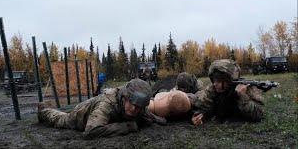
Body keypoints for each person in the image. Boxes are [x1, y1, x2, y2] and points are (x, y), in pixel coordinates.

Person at [38, 79, 166, 139]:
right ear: (124, 98)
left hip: (95, 112)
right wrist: (127, 126)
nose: (135, 109)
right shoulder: (107, 103)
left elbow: (144, 112)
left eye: (139, 107)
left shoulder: (135, 103)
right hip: (79, 117)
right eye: (133, 104)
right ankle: (43, 110)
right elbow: (90, 132)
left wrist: (156, 119)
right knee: (59, 118)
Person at [192, 59, 264, 126]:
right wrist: (199, 116)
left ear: (230, 80)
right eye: (214, 80)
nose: (215, 84)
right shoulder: (212, 89)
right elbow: (203, 106)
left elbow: (259, 114)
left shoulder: (247, 88)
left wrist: (243, 96)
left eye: (219, 81)